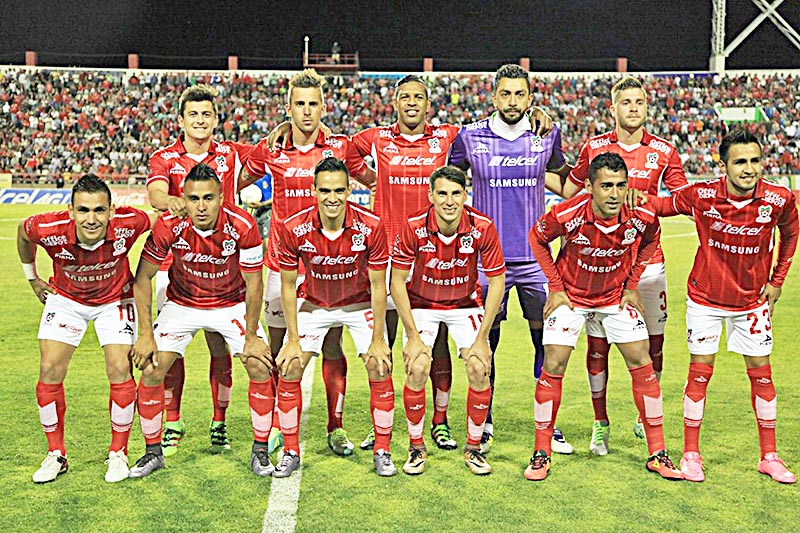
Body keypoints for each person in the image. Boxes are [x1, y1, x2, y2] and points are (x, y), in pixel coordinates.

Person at [269, 74, 554, 452]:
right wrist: (368, 176)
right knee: (383, 343)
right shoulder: (375, 138)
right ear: (395, 103)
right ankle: (381, 423)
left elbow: (494, 124)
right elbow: (344, 152)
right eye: (404, 97)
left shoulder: (447, 135)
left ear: (427, 104)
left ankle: (439, 421)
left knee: (434, 343)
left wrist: (537, 112)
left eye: (418, 98)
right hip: (383, 255)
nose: (411, 104)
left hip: (431, 252)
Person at [645, 128, 798, 483]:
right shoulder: (702, 195)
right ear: (723, 165)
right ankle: (691, 454)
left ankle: (769, 457)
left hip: (752, 301)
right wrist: (634, 197)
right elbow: (663, 206)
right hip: (705, 299)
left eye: (755, 161)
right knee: (699, 374)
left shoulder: (779, 198)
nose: (749, 169)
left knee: (762, 375)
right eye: (740, 162)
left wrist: (777, 281)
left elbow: (790, 234)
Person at [240, 69, 375, 457]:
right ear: (288, 107)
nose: (306, 111)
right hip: (282, 267)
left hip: (330, 265)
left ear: (323, 106)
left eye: (313, 103)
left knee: (333, 344)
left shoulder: (340, 147)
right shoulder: (272, 148)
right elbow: (233, 182)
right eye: (298, 104)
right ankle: (284, 425)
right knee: (282, 347)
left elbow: (374, 182)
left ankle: (335, 427)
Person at [525, 152, 682, 481]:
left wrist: (632, 283)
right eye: (606, 186)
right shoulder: (567, 213)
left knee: (643, 364)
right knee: (553, 364)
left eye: (621, 185)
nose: (614, 193)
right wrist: (555, 287)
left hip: (614, 298)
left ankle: (658, 453)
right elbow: (537, 239)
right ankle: (541, 453)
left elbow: (652, 239)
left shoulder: (640, 213)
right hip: (572, 299)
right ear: (589, 187)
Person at [449, 63, 573, 455]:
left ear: (531, 98)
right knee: (487, 342)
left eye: (520, 94)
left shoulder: (545, 135)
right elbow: (446, 183)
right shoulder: (469, 138)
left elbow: (567, 182)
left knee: (547, 341)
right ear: (494, 96)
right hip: (488, 262)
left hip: (537, 260)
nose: (513, 101)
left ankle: (548, 424)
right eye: (506, 93)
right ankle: (483, 421)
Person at [561, 76, 688, 453]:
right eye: (626, 102)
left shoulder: (664, 151)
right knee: (597, 345)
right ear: (613, 108)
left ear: (646, 107)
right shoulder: (594, 147)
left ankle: (643, 414)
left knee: (654, 345)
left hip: (649, 267)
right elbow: (571, 192)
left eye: (639, 102)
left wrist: (647, 201)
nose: (633, 107)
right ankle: (600, 422)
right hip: (602, 268)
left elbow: (682, 201)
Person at [128, 164, 273, 478]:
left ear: (221, 198)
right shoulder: (168, 225)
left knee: (259, 364)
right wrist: (144, 334)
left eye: (209, 198)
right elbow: (143, 278)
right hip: (183, 303)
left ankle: (260, 450)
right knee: (152, 369)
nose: (202, 206)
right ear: (184, 199)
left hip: (230, 303)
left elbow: (254, 284)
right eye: (194, 199)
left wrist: (251, 335)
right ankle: (153, 452)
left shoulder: (242, 225)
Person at [19, 174, 154, 483]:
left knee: (120, 367)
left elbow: (161, 224)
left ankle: (118, 453)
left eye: (99, 210)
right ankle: (56, 454)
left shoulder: (131, 222)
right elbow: (23, 234)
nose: (91, 219)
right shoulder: (47, 227)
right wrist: (32, 278)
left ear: (111, 210)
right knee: (50, 367)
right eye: (83, 210)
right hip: (66, 299)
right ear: (70, 210)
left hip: (115, 299)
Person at [147, 84, 256, 456]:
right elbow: (156, 195)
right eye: (193, 114)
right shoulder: (164, 157)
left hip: (223, 265)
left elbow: (268, 153)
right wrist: (175, 203)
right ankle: (172, 421)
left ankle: (219, 421)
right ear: (181, 120)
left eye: (206, 114)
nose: (200, 120)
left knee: (220, 346)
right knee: (170, 351)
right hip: (172, 267)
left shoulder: (230, 153)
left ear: (215, 119)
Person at [273, 157, 395, 477]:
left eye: (339, 190)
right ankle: (290, 450)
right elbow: (288, 285)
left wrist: (379, 340)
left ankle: (382, 449)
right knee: (290, 365)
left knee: (380, 364)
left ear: (349, 190)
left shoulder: (371, 226)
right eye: (325, 190)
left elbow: (378, 284)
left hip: (358, 303)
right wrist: (294, 339)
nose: (332, 197)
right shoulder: (293, 227)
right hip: (314, 303)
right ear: (313, 191)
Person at [391, 165, 505, 475]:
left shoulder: (483, 226)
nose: (449, 201)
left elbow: (497, 281)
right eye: (442, 193)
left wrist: (482, 337)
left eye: (456, 193)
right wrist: (413, 335)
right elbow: (397, 281)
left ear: (466, 195)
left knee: (480, 366)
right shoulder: (413, 226)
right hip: (422, 304)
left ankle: (473, 448)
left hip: (463, 304)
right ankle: (416, 448)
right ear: (431, 196)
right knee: (416, 366)